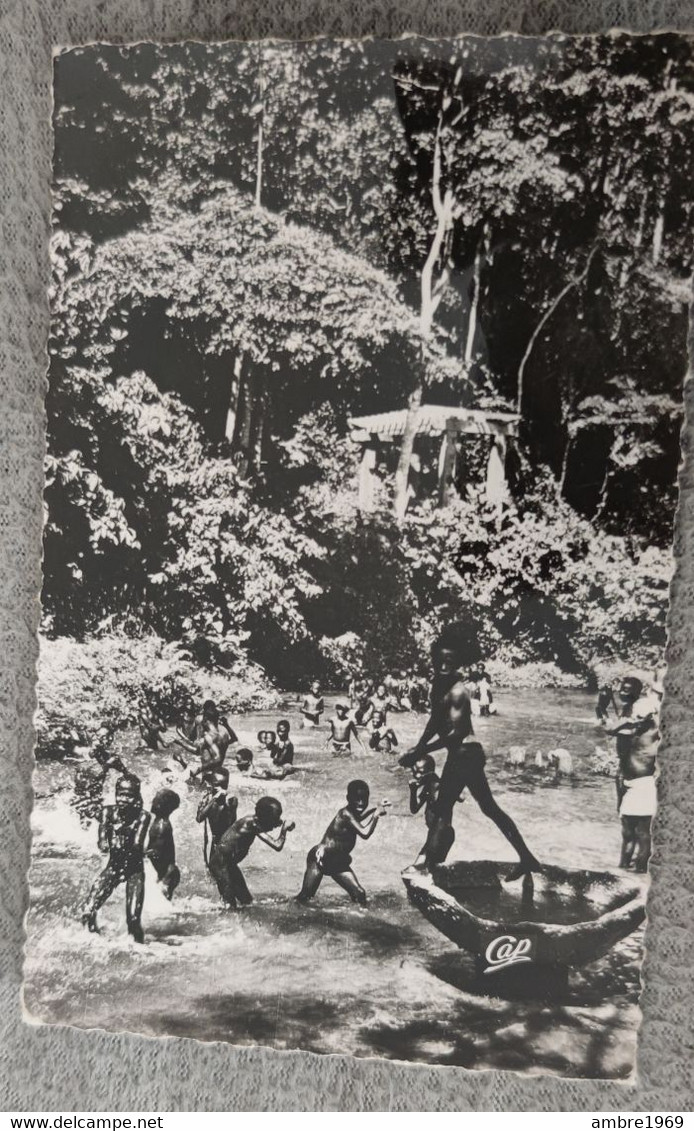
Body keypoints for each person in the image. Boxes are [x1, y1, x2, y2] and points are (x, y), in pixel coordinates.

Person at [399, 624, 541, 882]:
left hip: (466, 753)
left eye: (449, 661)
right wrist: (418, 746)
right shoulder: (438, 684)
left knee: (442, 808)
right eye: (439, 660)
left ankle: (426, 865)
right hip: (461, 754)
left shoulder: (458, 691)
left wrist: (421, 750)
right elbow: (434, 720)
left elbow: (456, 732)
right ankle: (527, 857)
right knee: (486, 808)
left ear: (457, 663)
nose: (443, 665)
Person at [296, 780, 389, 906]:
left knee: (359, 894)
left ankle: (360, 920)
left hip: (337, 861)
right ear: (348, 798)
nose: (361, 803)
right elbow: (365, 833)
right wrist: (376, 815)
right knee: (305, 897)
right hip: (320, 857)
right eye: (357, 799)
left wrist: (376, 808)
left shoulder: (353, 812)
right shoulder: (345, 814)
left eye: (364, 799)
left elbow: (359, 818)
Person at [600, 676, 659, 872]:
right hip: (628, 780)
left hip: (644, 784)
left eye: (641, 717)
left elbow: (613, 728)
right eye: (636, 716)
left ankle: (641, 870)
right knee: (627, 832)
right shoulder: (634, 726)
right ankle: (623, 869)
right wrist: (602, 706)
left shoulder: (654, 730)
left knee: (642, 833)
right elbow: (611, 729)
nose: (637, 719)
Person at [81, 777, 151, 941]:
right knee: (88, 910)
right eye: (120, 795)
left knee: (133, 920)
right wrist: (106, 842)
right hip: (113, 868)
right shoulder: (108, 812)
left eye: (129, 796)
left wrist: (122, 834)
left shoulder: (143, 816)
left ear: (136, 797)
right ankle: (94, 941)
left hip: (134, 871)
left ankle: (141, 950)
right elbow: (102, 839)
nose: (123, 800)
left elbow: (137, 844)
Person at [209, 797, 294, 908]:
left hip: (228, 864)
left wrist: (279, 823)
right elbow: (277, 845)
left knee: (247, 901)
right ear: (265, 817)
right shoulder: (252, 824)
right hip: (220, 865)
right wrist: (284, 830)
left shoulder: (256, 820)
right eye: (275, 818)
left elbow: (268, 825)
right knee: (229, 905)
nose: (277, 820)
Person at [406, 754, 455, 871]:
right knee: (413, 870)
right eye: (414, 771)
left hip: (441, 836)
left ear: (431, 772)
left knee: (426, 870)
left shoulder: (438, 786)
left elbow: (459, 797)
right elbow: (414, 809)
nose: (416, 775)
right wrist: (413, 791)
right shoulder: (428, 787)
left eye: (421, 772)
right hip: (433, 836)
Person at [146, 788, 181, 900]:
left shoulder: (161, 826)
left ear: (161, 806)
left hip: (168, 874)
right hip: (168, 872)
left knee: (161, 903)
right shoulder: (159, 822)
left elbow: (156, 852)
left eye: (156, 799)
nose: (152, 801)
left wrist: (138, 852)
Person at [197, 785, 239, 871]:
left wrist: (216, 799)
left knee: (224, 870)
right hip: (215, 840)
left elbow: (231, 821)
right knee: (213, 870)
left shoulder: (231, 800)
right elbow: (199, 818)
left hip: (226, 841)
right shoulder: (209, 800)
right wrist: (214, 798)